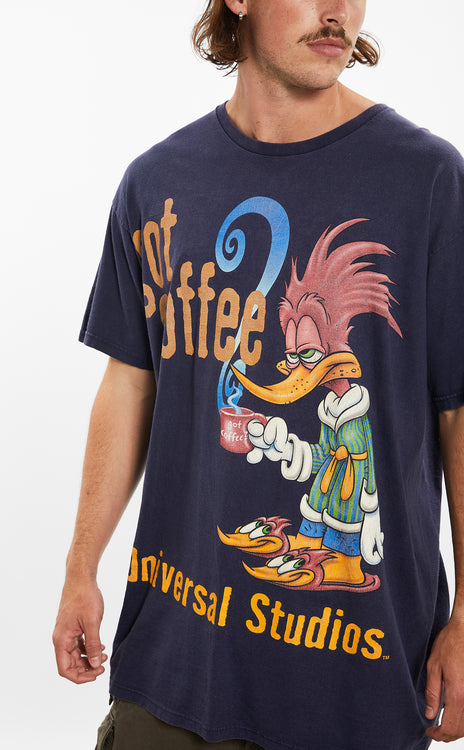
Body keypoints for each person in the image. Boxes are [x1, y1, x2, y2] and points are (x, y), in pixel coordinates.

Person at [53, 1, 464, 748]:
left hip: (357, 678)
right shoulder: (156, 183)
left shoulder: (428, 180)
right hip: (174, 664)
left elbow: (458, 411)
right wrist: (81, 566)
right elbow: (129, 383)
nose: (338, 11)